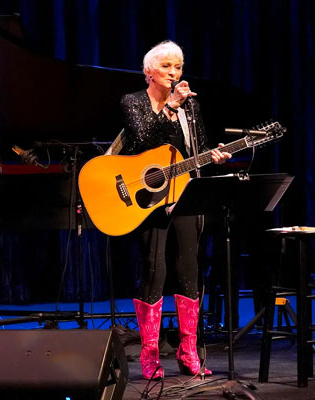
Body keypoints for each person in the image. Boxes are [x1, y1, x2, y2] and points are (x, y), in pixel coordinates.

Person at [120, 40, 231, 380]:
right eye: (167, 66)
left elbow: (193, 149)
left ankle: (188, 352)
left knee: (189, 271)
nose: (174, 73)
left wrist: (214, 155)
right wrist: (169, 107)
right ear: (148, 72)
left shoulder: (191, 107)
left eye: (178, 66)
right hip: (149, 199)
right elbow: (142, 141)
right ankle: (150, 356)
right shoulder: (133, 102)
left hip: (185, 194)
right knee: (154, 271)